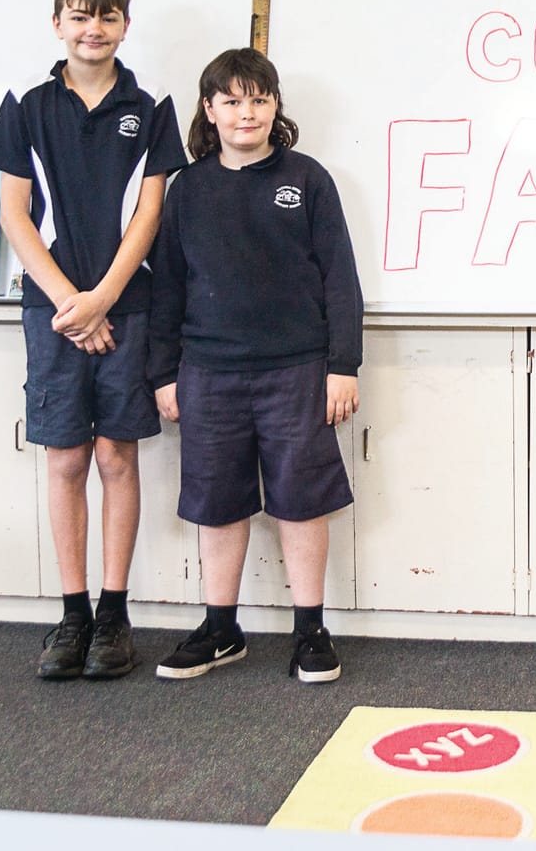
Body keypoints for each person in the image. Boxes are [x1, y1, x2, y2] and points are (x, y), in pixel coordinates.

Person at [0, 0, 186, 681]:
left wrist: (102, 299)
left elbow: (151, 213)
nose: (91, 29)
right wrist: (74, 305)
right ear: (57, 23)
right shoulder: (26, 108)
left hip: (127, 306)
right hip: (54, 312)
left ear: (125, 24)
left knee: (116, 458)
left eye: (105, 17)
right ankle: (71, 613)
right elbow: (14, 216)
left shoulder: (151, 111)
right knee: (66, 459)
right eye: (77, 16)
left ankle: (113, 613)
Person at [146, 47, 363, 684]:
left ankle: (311, 630)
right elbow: (168, 290)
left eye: (260, 99)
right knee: (217, 502)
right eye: (233, 101)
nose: (248, 112)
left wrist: (342, 365)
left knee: (300, 501)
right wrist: (164, 373)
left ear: (276, 107)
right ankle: (221, 628)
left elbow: (340, 280)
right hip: (207, 372)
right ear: (210, 111)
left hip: (298, 369)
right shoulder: (187, 190)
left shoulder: (309, 179)